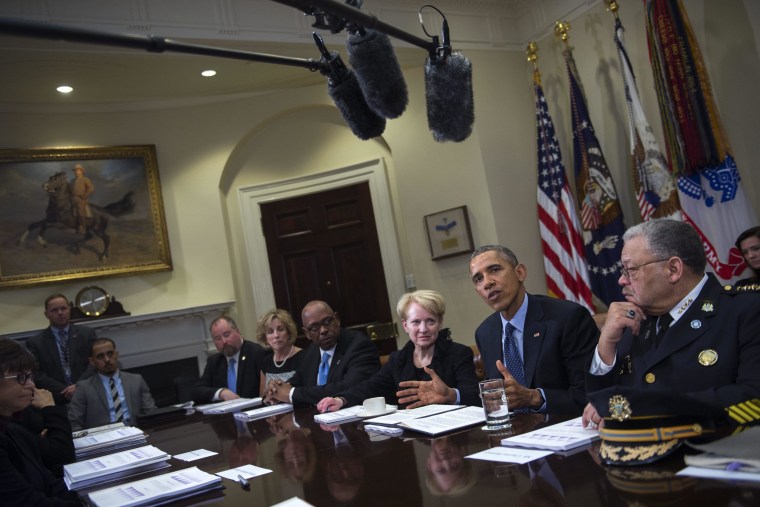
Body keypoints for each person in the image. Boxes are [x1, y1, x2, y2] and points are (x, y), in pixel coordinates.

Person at [583, 219, 760, 428]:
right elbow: (599, 403)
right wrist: (606, 346)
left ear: (674, 269)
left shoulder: (746, 310)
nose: (622, 281)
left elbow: (754, 399)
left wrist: (646, 408)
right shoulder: (634, 319)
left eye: (630, 270)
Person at [469, 245, 599, 414]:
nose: (487, 283)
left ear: (520, 273)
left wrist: (534, 398)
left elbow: (590, 394)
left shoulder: (568, 318)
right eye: (478, 279)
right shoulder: (485, 332)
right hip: (513, 433)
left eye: (494, 269)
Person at [317, 290, 479, 412]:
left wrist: (450, 394)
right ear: (405, 325)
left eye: (430, 321)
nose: (423, 329)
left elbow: (474, 396)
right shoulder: (398, 359)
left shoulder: (458, 354)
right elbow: (370, 387)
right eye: (416, 322)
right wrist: (341, 399)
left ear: (440, 323)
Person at [0, 338, 80, 505]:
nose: (31, 385)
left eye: (30, 376)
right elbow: (28, 502)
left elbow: (51, 482)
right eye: (21, 377)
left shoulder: (13, 429)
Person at [265, 300, 381, 407]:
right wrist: (277, 391)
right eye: (314, 328)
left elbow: (348, 387)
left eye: (327, 321)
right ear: (307, 333)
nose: (323, 330)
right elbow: (298, 380)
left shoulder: (359, 345)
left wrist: (291, 394)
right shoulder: (313, 350)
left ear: (337, 319)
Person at [68, 337, 157, 431]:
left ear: (117, 354)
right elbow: (74, 423)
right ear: (92, 361)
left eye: (110, 354)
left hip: (136, 432)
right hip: (103, 438)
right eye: (100, 356)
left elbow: (151, 411)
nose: (107, 359)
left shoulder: (136, 380)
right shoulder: (84, 388)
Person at [26, 293, 98, 405]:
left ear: (69, 310)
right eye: (54, 310)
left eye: (63, 308)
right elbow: (37, 374)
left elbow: (94, 363)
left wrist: (78, 387)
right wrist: (65, 391)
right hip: (56, 399)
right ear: (46, 314)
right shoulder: (35, 343)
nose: (60, 313)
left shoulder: (87, 334)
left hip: (88, 393)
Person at [193, 315, 267, 403]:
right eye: (218, 338)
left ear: (238, 332)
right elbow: (196, 391)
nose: (224, 341)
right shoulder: (215, 361)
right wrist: (221, 393)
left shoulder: (257, 353)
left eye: (226, 335)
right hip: (226, 416)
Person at [255, 309, 303, 397]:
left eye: (280, 329)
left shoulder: (303, 357)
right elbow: (263, 398)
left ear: (288, 333)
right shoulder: (266, 362)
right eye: (270, 332)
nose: (276, 335)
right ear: (265, 338)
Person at [71, 163, 94, 235]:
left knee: (81, 212)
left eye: (78, 171)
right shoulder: (72, 180)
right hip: (73, 198)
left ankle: (83, 228)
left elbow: (91, 188)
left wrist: (84, 196)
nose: (76, 172)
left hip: (81, 199)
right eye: (75, 171)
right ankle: (73, 226)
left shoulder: (85, 179)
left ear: (81, 171)